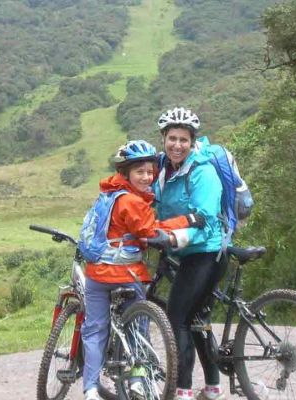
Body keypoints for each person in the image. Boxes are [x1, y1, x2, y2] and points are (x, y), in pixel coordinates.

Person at [82, 140, 204, 400]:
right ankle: (137, 379)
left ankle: (91, 388)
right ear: (126, 173)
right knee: (139, 323)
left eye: (150, 172)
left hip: (96, 274)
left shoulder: (108, 195)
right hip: (125, 274)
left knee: (94, 329)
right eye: (140, 172)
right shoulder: (132, 203)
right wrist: (189, 220)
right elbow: (150, 232)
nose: (147, 177)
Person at [153, 107, 228, 400]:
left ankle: (181, 391)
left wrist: (172, 236)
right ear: (164, 138)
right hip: (193, 253)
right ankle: (212, 388)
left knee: (178, 319)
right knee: (198, 321)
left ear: (192, 141)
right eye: (172, 138)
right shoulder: (164, 169)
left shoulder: (202, 171)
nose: (177, 145)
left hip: (206, 254)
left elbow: (205, 218)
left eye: (183, 139)